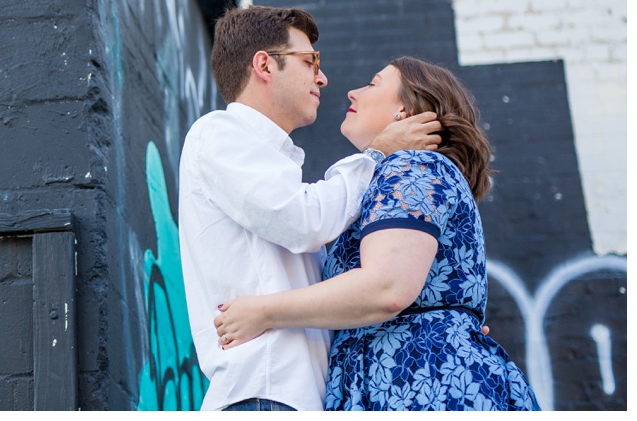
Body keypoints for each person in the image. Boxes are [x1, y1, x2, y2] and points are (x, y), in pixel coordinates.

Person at [213, 56, 540, 410]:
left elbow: (386, 288)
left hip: (420, 385)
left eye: (372, 83)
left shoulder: (412, 166)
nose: (352, 93)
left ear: (405, 109)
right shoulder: (396, 177)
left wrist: (261, 313)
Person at [178, 6, 443, 411]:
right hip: (266, 393)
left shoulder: (271, 165)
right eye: (309, 61)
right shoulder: (218, 134)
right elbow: (305, 221)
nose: (322, 77)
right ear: (265, 65)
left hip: (296, 398)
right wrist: (375, 155)